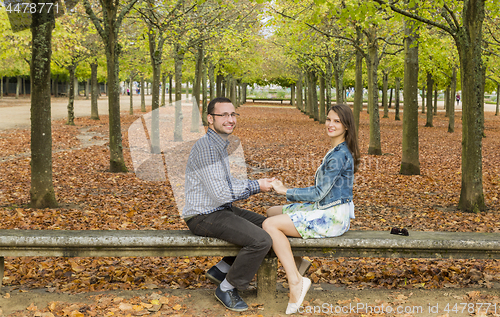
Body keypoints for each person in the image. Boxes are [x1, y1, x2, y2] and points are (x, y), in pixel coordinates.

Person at [262, 104, 360, 314]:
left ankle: (296, 281)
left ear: (347, 126)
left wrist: (285, 191)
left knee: (270, 225)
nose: (330, 124)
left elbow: (318, 193)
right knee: (272, 212)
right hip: (327, 208)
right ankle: (297, 261)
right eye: (329, 119)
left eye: (337, 121)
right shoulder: (338, 150)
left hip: (331, 216)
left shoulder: (339, 156)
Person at [182, 97, 275, 312]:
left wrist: (257, 183)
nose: (230, 119)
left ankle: (221, 269)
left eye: (233, 114)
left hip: (219, 209)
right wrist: (256, 186)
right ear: (210, 118)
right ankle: (227, 287)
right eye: (223, 115)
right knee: (262, 240)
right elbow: (221, 193)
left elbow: (225, 185)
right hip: (203, 216)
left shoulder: (218, 144)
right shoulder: (207, 148)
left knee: (269, 224)